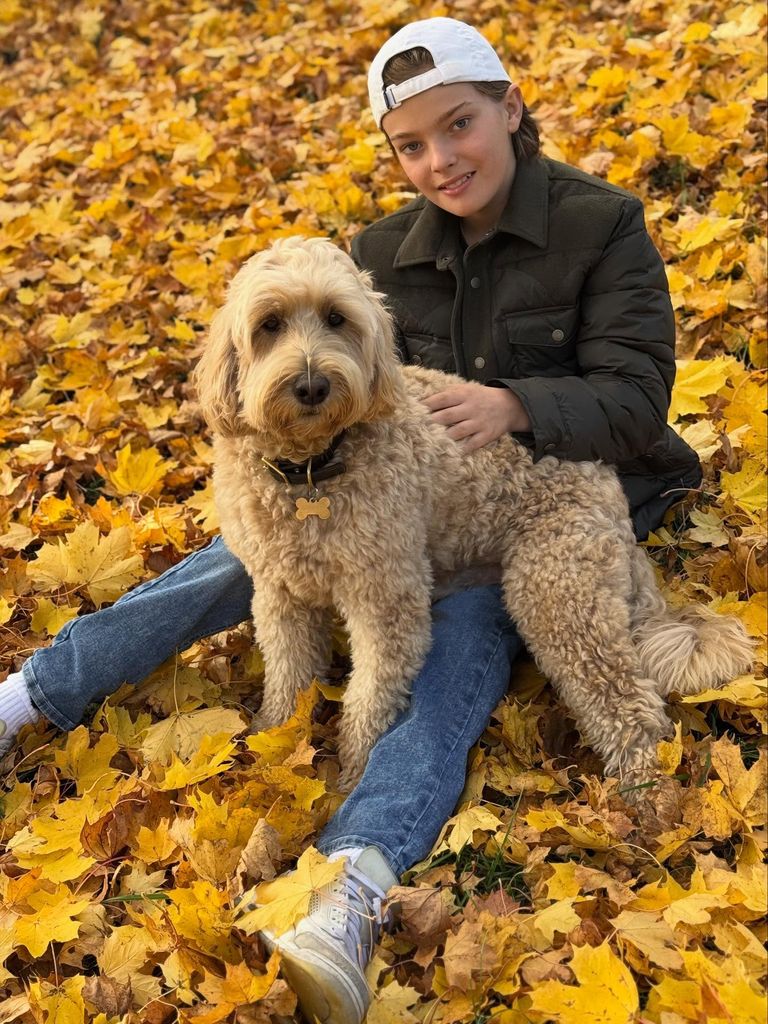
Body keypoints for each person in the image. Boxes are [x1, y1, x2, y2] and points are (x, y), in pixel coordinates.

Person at [0, 17, 701, 1024]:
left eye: (458, 126)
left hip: (560, 489)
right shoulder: (373, 253)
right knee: (231, 561)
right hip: (375, 480)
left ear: (509, 108)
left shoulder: (606, 223)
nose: (438, 160)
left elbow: (637, 400)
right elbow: (319, 394)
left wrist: (515, 407)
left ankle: (358, 873)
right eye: (411, 145)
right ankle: (30, 696)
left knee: (456, 637)